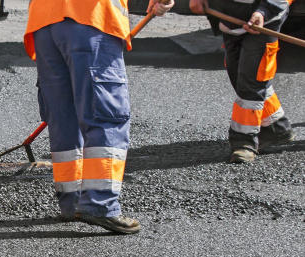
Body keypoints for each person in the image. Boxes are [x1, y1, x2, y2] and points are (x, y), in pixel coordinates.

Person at [24, 0, 173, 234]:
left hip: (44, 21)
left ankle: (71, 201)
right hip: (89, 17)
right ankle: (99, 203)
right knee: (105, 115)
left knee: (64, 117)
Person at [189, 0, 295, 163]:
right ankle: (277, 127)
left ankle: (244, 142)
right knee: (239, 76)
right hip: (231, 18)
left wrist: (263, 12)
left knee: (251, 82)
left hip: (266, 21)